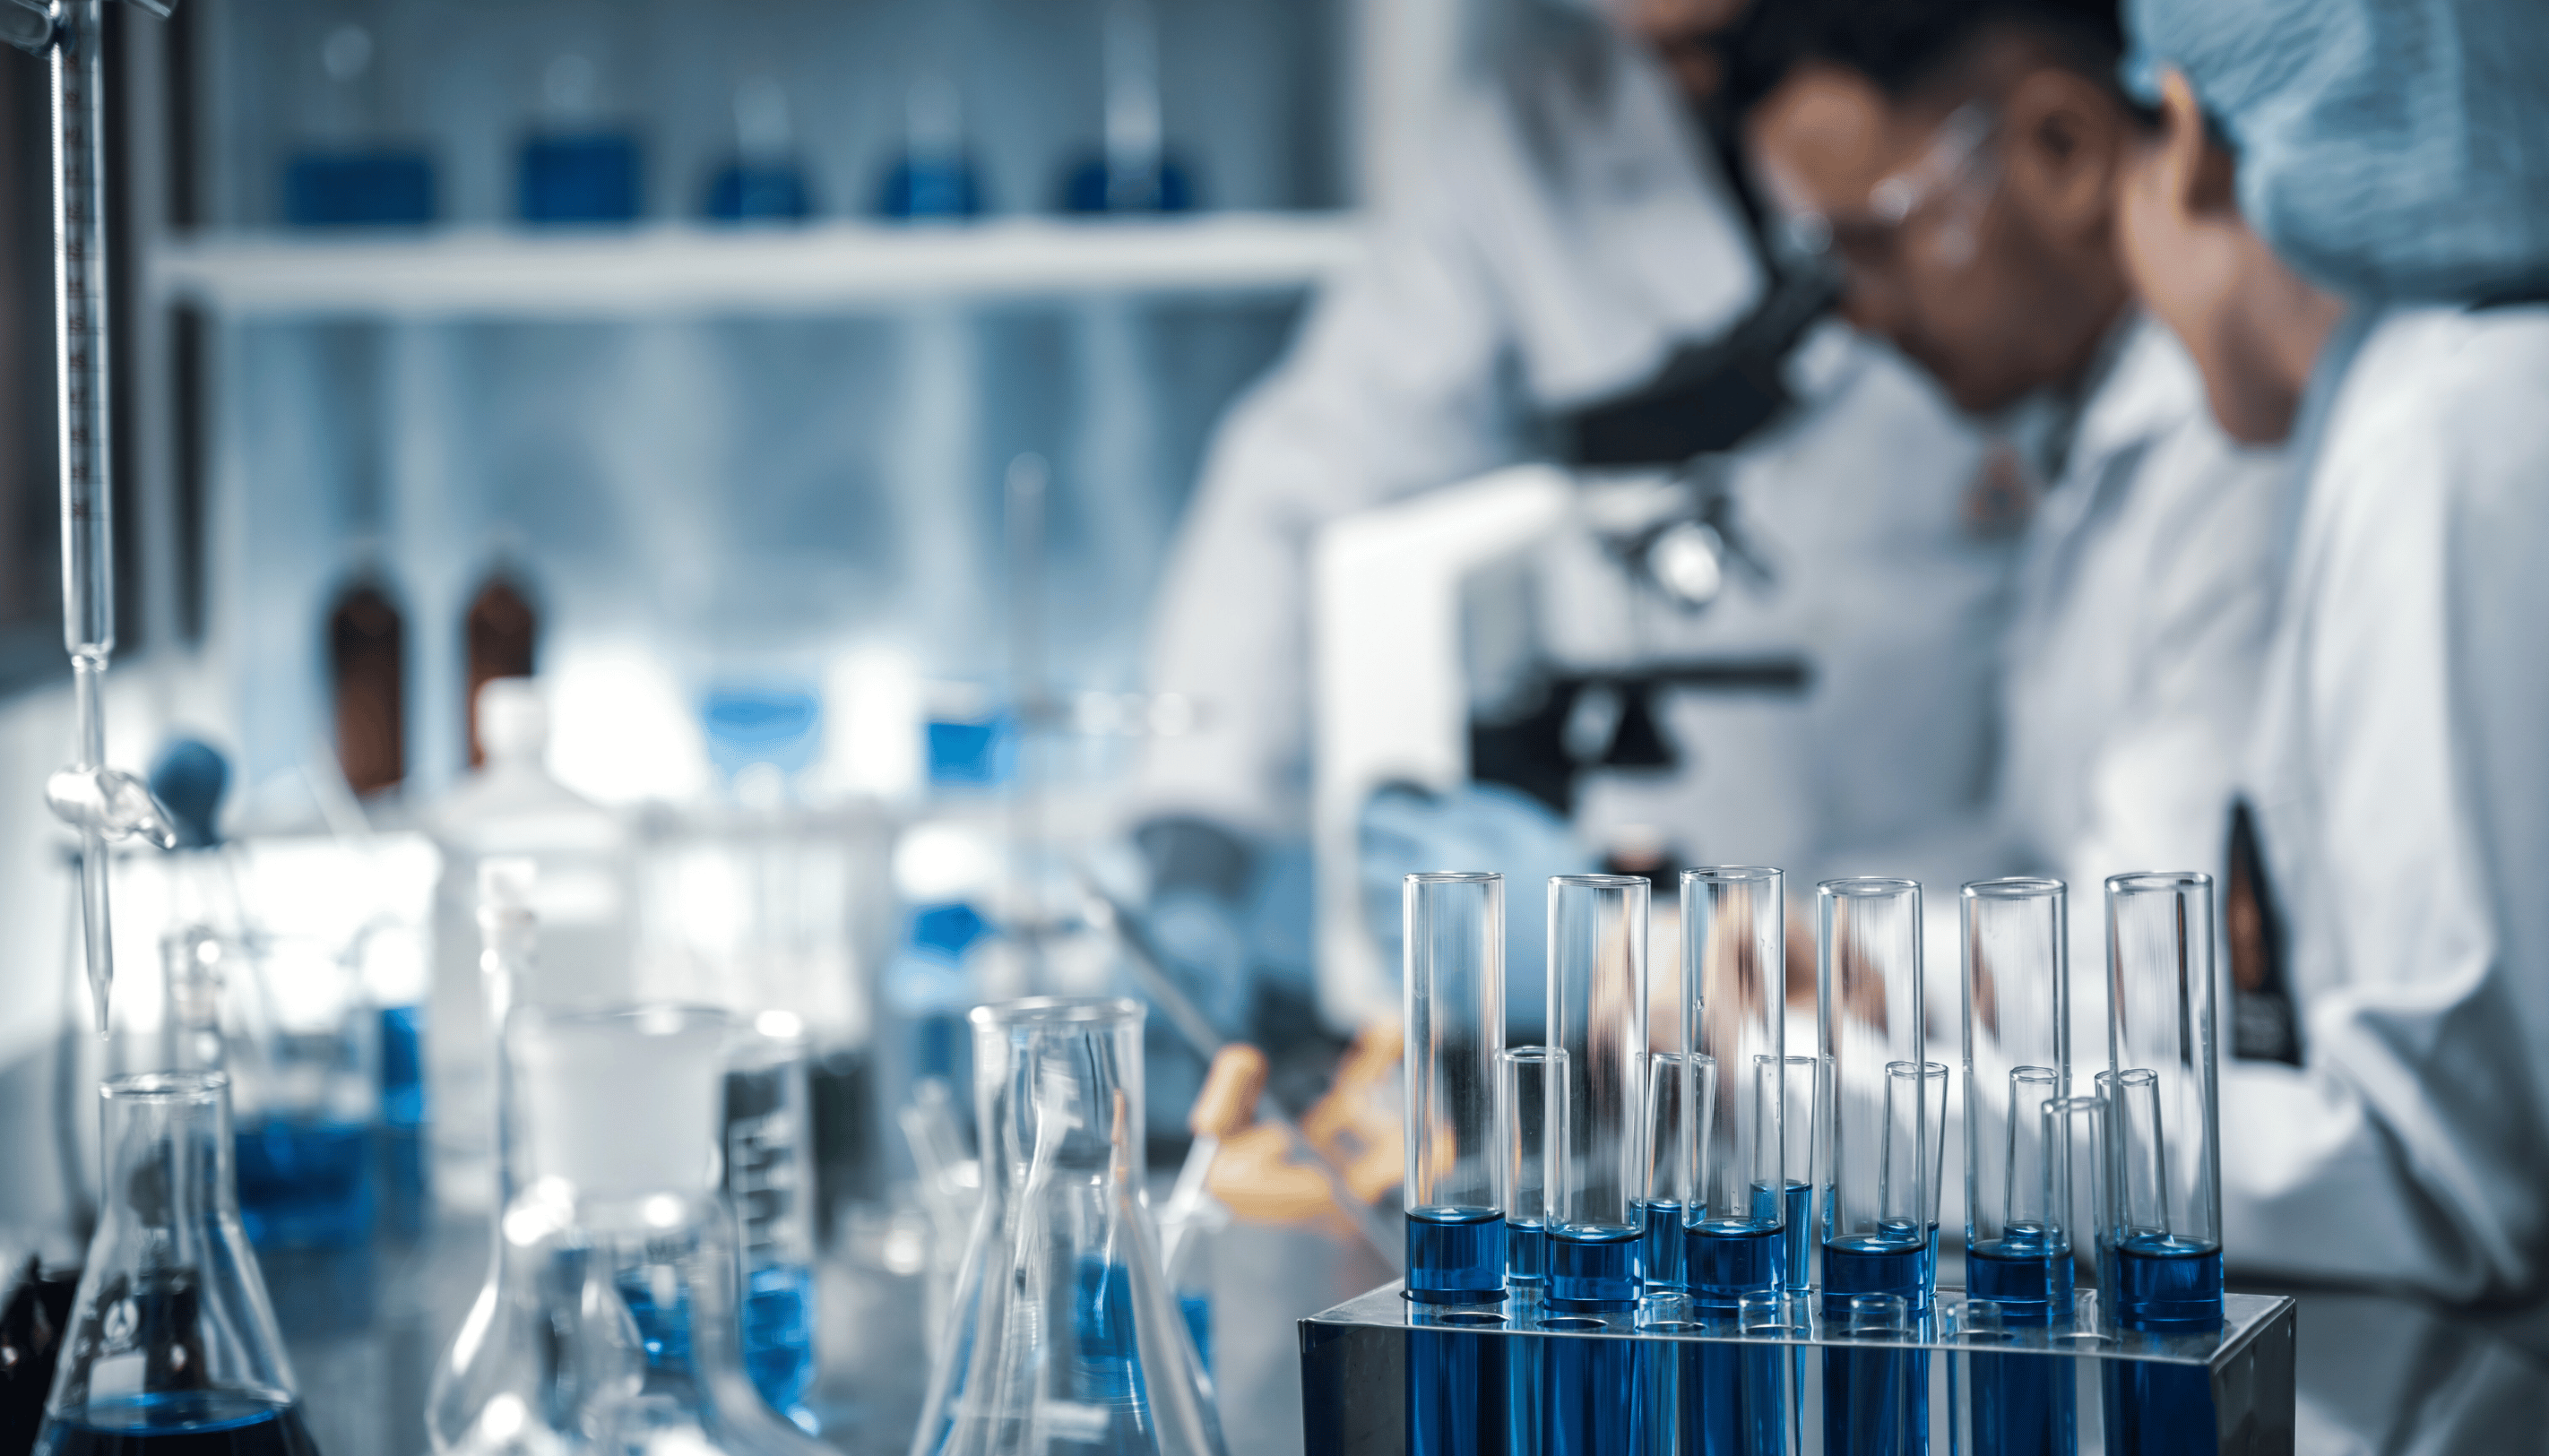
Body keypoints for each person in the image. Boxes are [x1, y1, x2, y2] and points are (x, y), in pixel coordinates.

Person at [1135, 0, 2018, 911]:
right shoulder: (1516, 147)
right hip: (1664, 868)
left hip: (1956, 883)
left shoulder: (1986, 108)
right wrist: (1196, 835)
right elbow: (1310, 479)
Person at [2114, 0, 2549, 1302]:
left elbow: (2445, 1180)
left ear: (2191, 142)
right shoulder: (2424, 393)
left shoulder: (2439, 424)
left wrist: (1848, 1115)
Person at [1732, 0, 2281, 985]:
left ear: (2062, 148)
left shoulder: (2233, 442)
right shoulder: (2078, 431)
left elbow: (2161, 950)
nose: (1858, 313)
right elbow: (2038, 857)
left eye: (1877, 239)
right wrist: (1772, 929)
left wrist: (1784, 967)